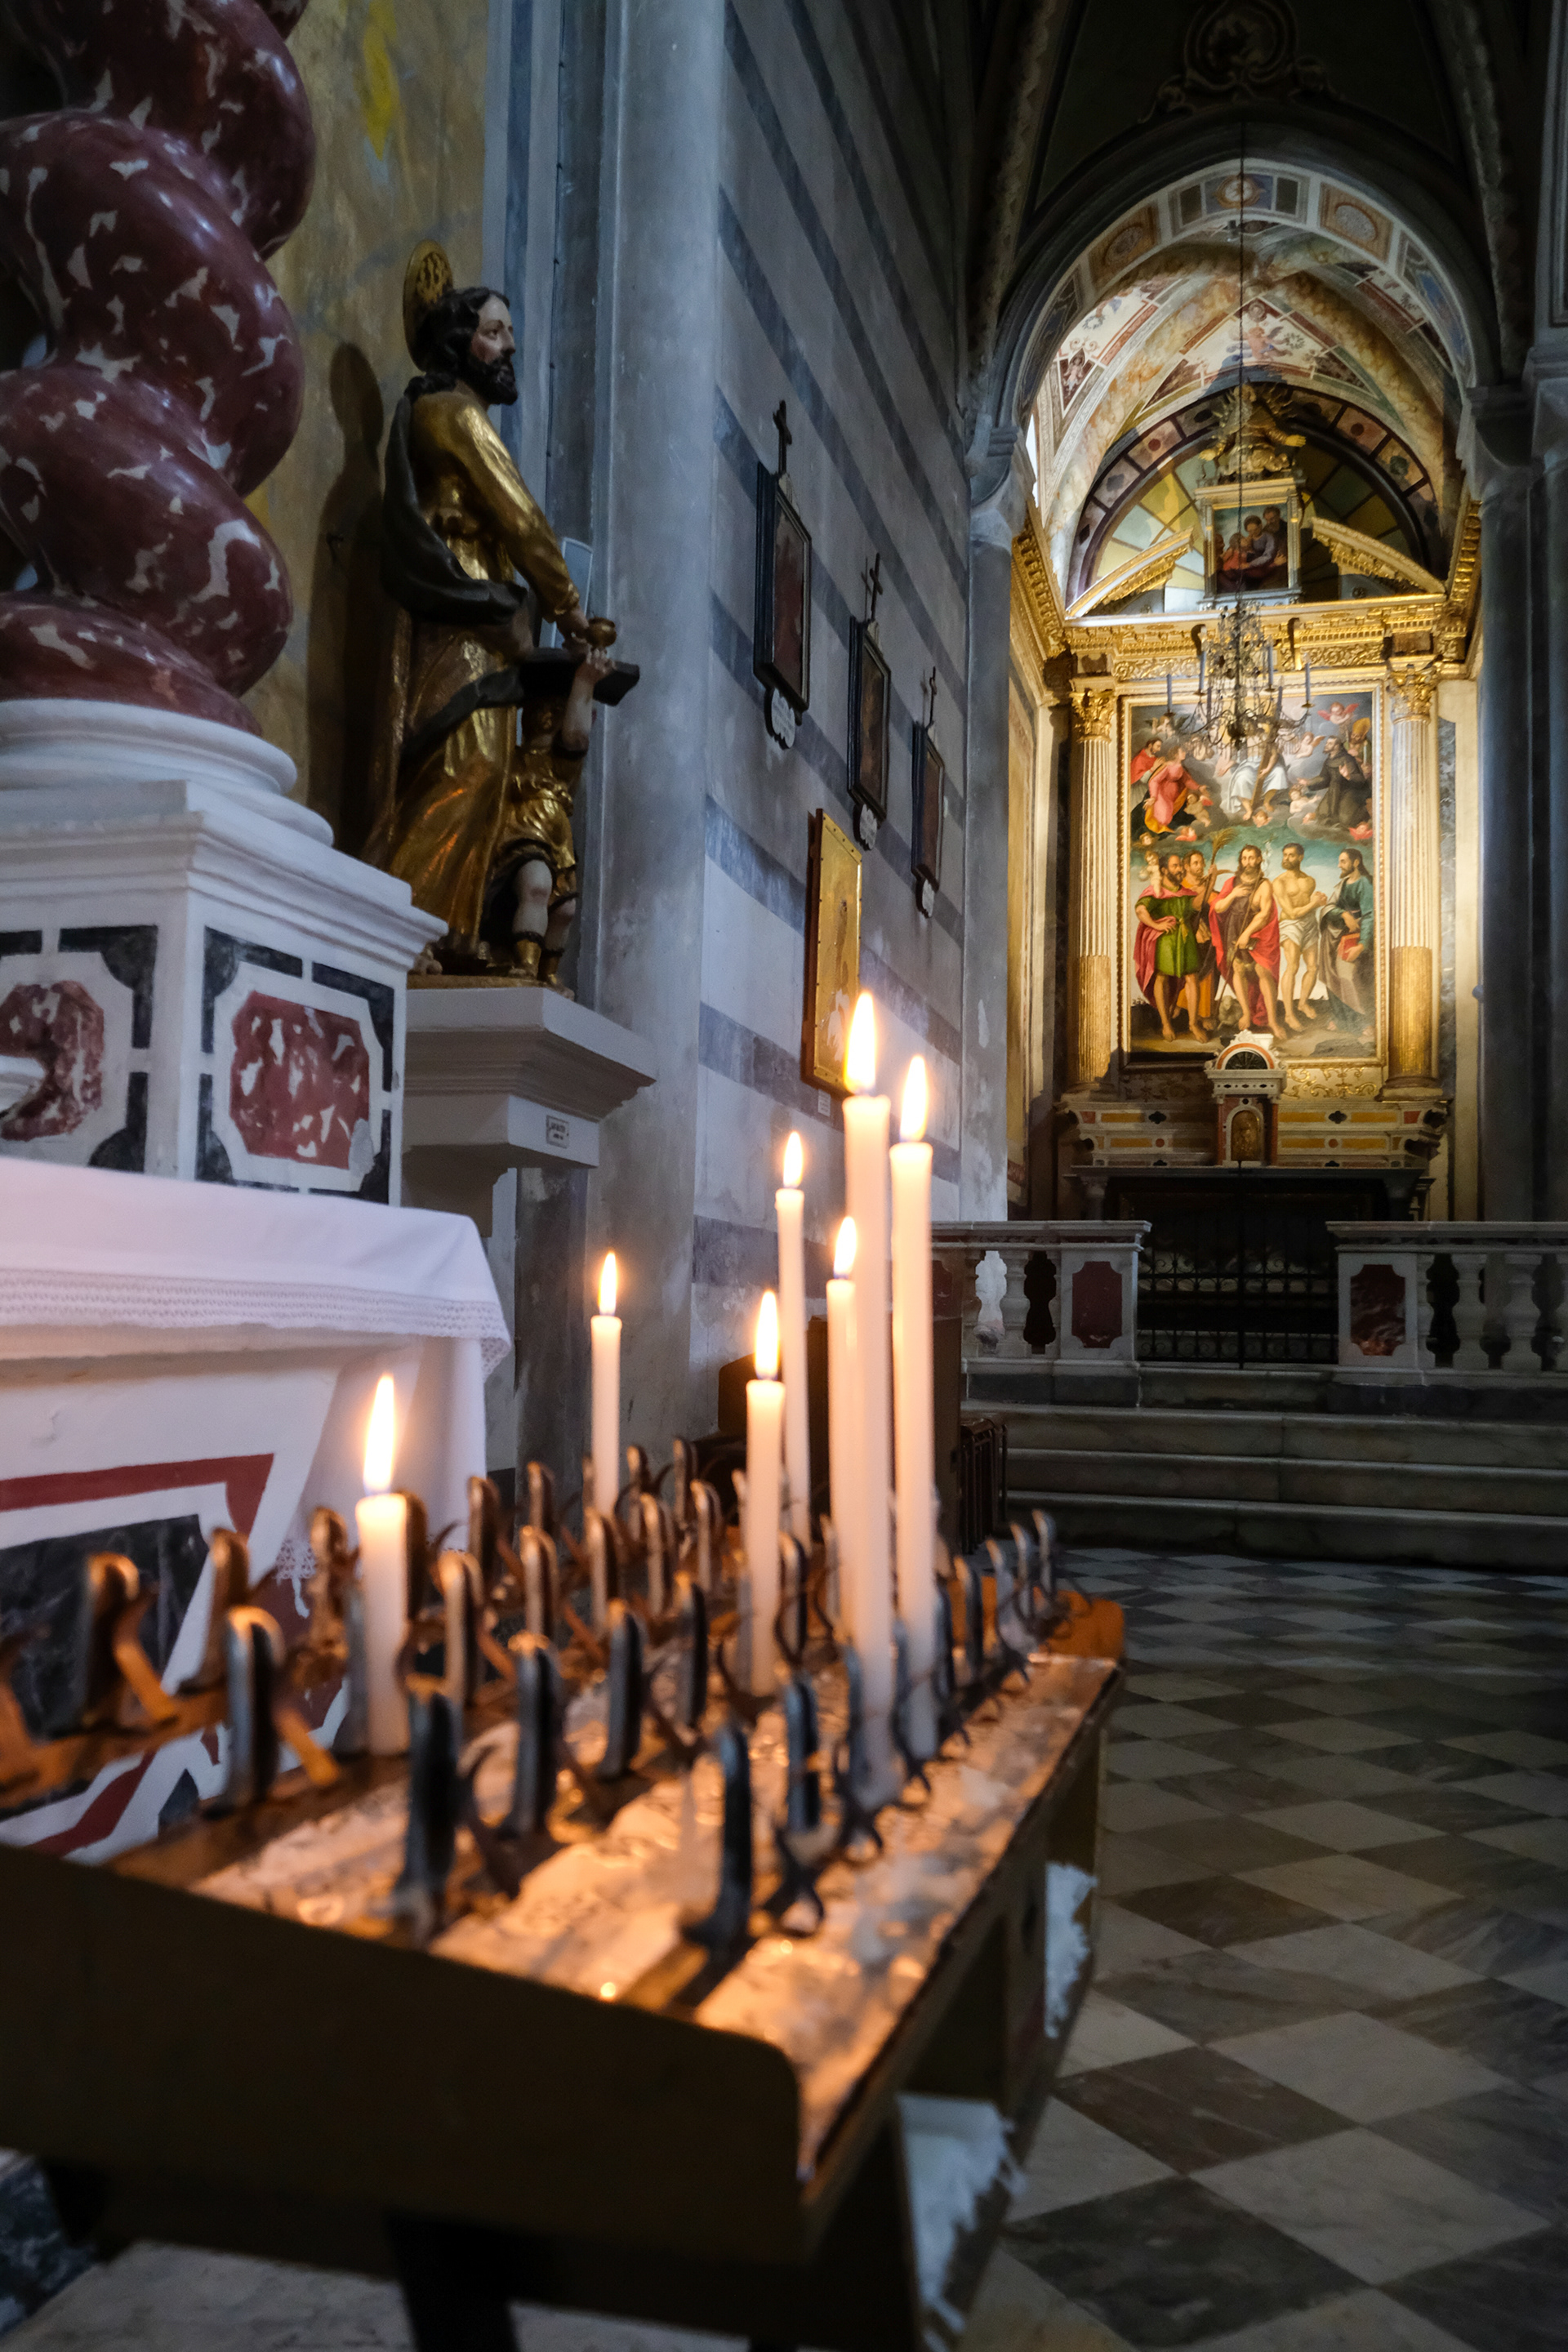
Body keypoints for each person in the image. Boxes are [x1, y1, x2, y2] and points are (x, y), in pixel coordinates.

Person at [368, 245, 612, 980]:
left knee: (480, 771)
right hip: (463, 605)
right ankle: (406, 935)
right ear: (459, 341)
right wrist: (569, 608)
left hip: (482, 611)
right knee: (461, 766)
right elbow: (522, 517)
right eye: (496, 331)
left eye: (507, 333)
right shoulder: (452, 414)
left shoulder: (457, 412)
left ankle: (447, 932)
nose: (510, 347)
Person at [1134, 850, 1212, 1041]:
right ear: (1164, 870)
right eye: (1175, 866)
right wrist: (1156, 925)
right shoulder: (1156, 892)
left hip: (1186, 941)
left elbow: (1197, 905)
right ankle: (1166, 1024)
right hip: (1165, 941)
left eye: (1180, 866)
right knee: (1162, 977)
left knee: (1192, 978)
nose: (1180, 870)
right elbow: (1141, 910)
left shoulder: (1184, 893)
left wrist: (1211, 882)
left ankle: (1193, 1024)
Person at [1210, 842, 1285, 1035]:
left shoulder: (1264, 884)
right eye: (1244, 858)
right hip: (1233, 931)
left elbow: (1265, 914)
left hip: (1256, 934)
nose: (1248, 862)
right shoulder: (1232, 883)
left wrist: (1247, 933)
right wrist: (1232, 894)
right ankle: (1246, 1014)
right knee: (1239, 970)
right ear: (1240, 861)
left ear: (1259, 859)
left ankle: (1273, 1022)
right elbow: (1218, 908)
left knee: (1263, 972)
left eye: (1252, 858)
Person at [1321, 845, 1375, 1036]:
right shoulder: (1343, 884)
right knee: (1334, 976)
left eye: (1343, 861)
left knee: (1350, 978)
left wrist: (1362, 945)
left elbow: (1370, 916)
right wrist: (1344, 914)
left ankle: (1362, 1021)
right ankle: (1340, 1018)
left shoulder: (1366, 884)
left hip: (1360, 939)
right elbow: (1328, 908)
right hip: (1340, 938)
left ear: (1356, 862)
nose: (1339, 865)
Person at [1272, 840, 1326, 1030]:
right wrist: (1314, 904)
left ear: (1300, 857)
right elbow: (1293, 912)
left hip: (1310, 923)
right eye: (1285, 855)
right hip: (1290, 924)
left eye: (1291, 855)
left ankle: (1302, 1003)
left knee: (1313, 967)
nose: (1286, 859)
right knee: (1293, 966)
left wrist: (1320, 901)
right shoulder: (1279, 882)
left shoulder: (1310, 880)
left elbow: (1310, 904)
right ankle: (1288, 1014)